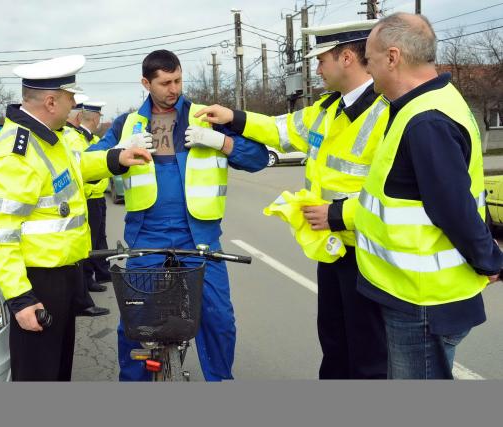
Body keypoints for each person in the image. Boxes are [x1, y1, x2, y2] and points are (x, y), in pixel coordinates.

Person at [195, 20, 388, 379]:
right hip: (332, 250)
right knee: (335, 345)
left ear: (346, 58)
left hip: (369, 251)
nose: (316, 68)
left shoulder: (387, 112)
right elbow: (279, 129)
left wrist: (338, 214)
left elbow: (394, 188)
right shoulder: (327, 111)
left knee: (370, 356)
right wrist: (232, 117)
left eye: (321, 60)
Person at [88, 49, 268, 381]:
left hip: (199, 239)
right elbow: (86, 167)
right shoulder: (127, 124)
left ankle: (219, 383)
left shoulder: (206, 116)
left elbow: (258, 159)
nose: (174, 88)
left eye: (178, 80)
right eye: (165, 82)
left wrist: (221, 142)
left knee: (218, 320)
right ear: (146, 83)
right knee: (134, 324)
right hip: (147, 237)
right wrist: (118, 152)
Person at [0, 55, 151, 381]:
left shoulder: (47, 139)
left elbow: (75, 168)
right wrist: (20, 298)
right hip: (38, 283)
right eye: (71, 99)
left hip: (62, 278)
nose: (74, 107)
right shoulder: (17, 152)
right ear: (52, 101)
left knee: (57, 373)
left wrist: (116, 158)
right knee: (40, 376)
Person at [355, 12, 502, 379]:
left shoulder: (426, 120)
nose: (367, 68)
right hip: (416, 296)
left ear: (392, 57)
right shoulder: (434, 101)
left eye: (369, 59)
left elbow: (454, 208)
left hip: (422, 302)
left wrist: (491, 260)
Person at [62, 97, 110, 317]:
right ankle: (81, 298)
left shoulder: (85, 137)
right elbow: (80, 168)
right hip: (86, 198)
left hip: (95, 196)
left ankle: (88, 283)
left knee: (95, 241)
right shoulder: (72, 137)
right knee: (85, 248)